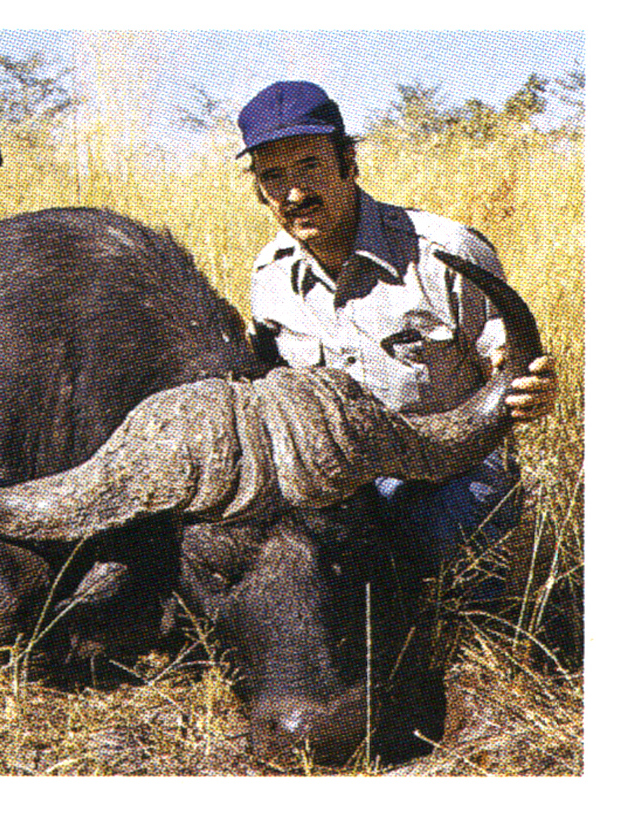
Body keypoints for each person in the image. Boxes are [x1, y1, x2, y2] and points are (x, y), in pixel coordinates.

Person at [237, 81, 557, 598]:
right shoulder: (269, 277)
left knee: (459, 567)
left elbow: (512, 364)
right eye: (273, 176)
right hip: (335, 486)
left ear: (348, 161)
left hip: (447, 471)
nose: (294, 194)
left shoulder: (444, 251)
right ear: (258, 188)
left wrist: (530, 387)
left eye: (310, 167)